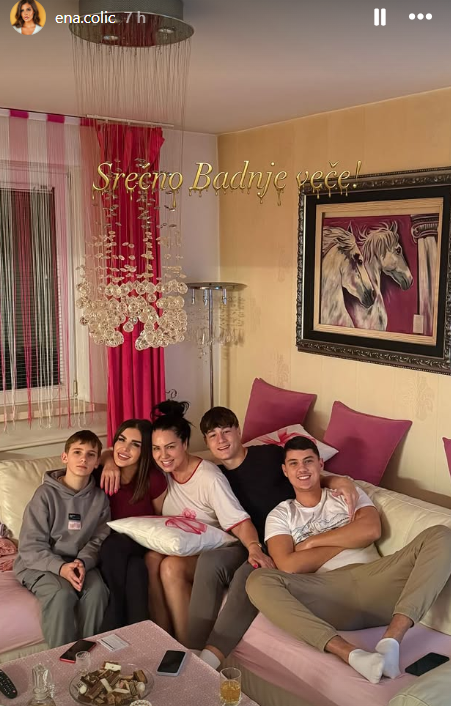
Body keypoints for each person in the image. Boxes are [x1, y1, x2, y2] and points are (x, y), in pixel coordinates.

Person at [246, 435, 451, 684]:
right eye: (294, 463)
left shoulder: (346, 494)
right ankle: (352, 655)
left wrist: (311, 543)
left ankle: (391, 641)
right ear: (285, 470)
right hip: (328, 594)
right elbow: (289, 565)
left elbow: (371, 531)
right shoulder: (280, 515)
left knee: (441, 535)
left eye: (308, 461)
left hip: (379, 579)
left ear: (320, 464)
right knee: (257, 581)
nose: (302, 468)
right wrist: (350, 536)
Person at [187, 406, 360, 670]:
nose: (221, 440)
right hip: (250, 541)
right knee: (210, 561)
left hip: (286, 539)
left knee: (249, 573)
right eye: (213, 436)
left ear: (238, 432)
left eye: (226, 431)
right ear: (207, 442)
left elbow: (305, 474)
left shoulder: (267, 455)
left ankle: (210, 660)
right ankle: (191, 651)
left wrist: (341, 481)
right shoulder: (216, 476)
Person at [141, 400, 273, 648]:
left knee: (171, 567)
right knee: (150, 559)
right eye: (156, 449)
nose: (163, 456)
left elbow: (239, 521)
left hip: (216, 551)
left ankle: (186, 646)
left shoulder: (209, 477)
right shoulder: (162, 474)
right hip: (183, 548)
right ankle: (162, 639)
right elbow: (119, 453)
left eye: (170, 447)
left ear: (185, 444)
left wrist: (254, 547)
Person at [14, 430, 110, 648]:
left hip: (79, 563)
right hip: (39, 563)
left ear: (97, 462)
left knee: (97, 592)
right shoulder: (44, 495)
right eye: (77, 452)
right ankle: (61, 660)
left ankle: (89, 656)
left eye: (91, 454)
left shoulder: (100, 499)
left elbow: (98, 539)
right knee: (62, 593)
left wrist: (83, 562)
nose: (83, 459)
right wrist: (60, 568)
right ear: (65, 457)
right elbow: (31, 546)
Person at [97, 419, 167, 631]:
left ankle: (113, 619)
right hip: (110, 549)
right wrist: (108, 461)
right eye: (121, 440)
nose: (125, 448)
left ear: (145, 451)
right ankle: (140, 636)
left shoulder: (154, 479)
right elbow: (99, 454)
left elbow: (159, 519)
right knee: (136, 570)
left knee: (116, 545)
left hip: (139, 542)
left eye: (135, 444)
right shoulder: (101, 473)